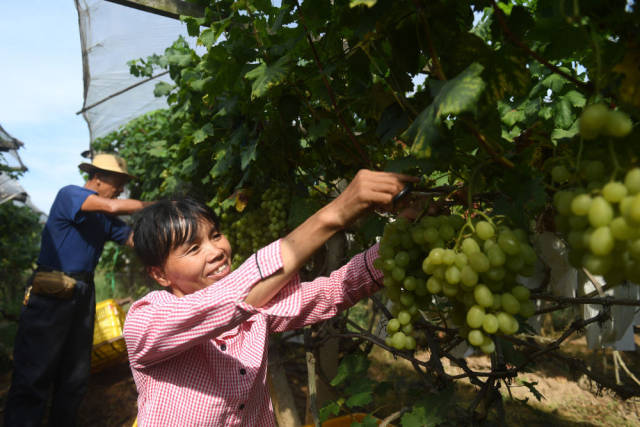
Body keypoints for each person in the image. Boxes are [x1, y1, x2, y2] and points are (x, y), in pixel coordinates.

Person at [123, 169, 417, 426]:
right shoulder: (146, 322)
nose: (216, 252)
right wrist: (335, 213)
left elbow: (333, 291)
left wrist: (404, 237)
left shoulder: (255, 310)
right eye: (193, 249)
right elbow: (232, 299)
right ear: (160, 275)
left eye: (215, 236)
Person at [4, 153, 153, 427]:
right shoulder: (70, 195)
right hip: (52, 290)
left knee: (75, 375)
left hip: (82, 292)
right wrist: (157, 206)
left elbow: (134, 239)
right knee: (35, 373)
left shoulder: (104, 219)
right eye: (117, 183)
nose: (120, 189)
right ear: (97, 179)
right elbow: (110, 206)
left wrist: (169, 233)